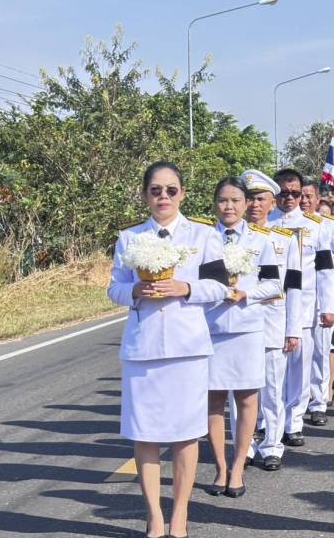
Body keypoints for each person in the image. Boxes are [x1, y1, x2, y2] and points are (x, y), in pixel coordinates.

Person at [107, 161, 228, 538]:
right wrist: (134, 292)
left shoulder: (203, 235)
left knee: (185, 434)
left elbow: (220, 287)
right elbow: (114, 288)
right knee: (145, 434)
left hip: (186, 346)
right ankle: (155, 517)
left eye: (171, 190)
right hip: (142, 348)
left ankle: (179, 515)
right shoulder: (130, 238)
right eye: (156, 190)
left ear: (183, 194)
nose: (163, 197)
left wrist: (186, 288)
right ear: (145, 195)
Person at [204, 177, 282, 497]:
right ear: (215, 204)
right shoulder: (204, 239)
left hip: (247, 327)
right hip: (212, 327)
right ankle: (221, 466)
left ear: (246, 203)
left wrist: (245, 294)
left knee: (247, 399)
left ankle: (238, 466)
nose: (230, 207)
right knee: (214, 400)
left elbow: (275, 285)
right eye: (223, 200)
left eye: (236, 200)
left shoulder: (261, 240)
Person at [268, 169, 334, 448]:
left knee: (299, 369)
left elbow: (325, 272)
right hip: (271, 309)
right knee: (271, 372)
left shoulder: (316, 227)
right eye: (283, 193)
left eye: (295, 193)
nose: (289, 198)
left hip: (305, 308)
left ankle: (294, 421)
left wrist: (328, 306)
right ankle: (266, 421)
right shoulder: (265, 224)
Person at [240, 169, 303, 472]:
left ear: (272, 202)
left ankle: (272, 445)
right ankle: (245, 445)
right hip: (236, 325)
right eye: (249, 198)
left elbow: (294, 287)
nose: (254, 204)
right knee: (239, 390)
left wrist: (293, 329)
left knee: (272, 389)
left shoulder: (284, 240)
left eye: (260, 199)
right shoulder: (228, 237)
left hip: (272, 322)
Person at [300, 179, 334, 427]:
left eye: (308, 196)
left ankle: (319, 403)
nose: (304, 201)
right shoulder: (281, 224)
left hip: (321, 298)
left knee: (321, 353)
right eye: (300, 196)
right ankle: (296, 405)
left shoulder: (327, 225)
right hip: (293, 300)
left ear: (317, 199)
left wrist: (327, 268)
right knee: (297, 356)